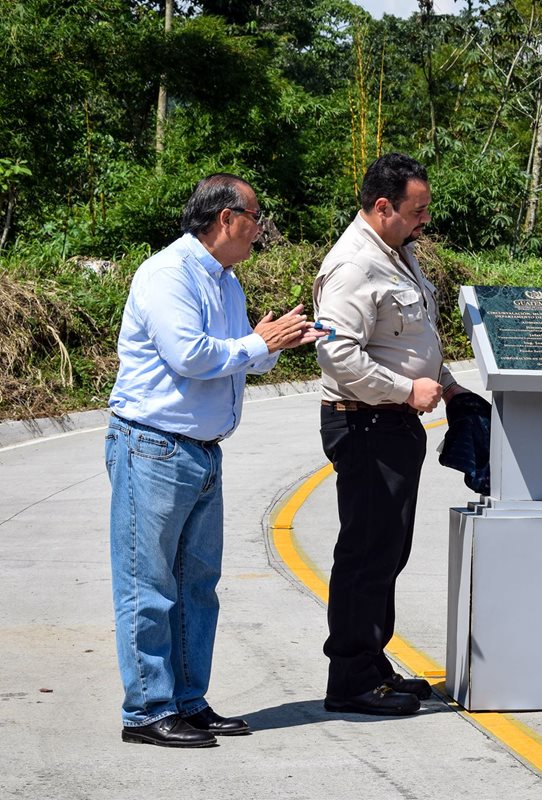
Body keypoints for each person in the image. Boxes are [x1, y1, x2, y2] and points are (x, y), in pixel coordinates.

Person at [106, 173, 320, 747]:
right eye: (255, 218)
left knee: (197, 586)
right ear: (225, 218)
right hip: (153, 444)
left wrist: (276, 341)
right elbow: (191, 357)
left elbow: (238, 358)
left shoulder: (226, 281)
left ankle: (186, 700)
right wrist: (259, 342)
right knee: (147, 585)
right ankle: (147, 711)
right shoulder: (167, 274)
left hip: (201, 451)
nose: (260, 231)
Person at [313, 153, 478, 716]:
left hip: (391, 424)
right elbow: (336, 355)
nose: (424, 221)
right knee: (365, 553)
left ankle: (373, 666)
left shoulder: (398, 254)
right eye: (417, 210)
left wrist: (448, 386)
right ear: (383, 207)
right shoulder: (354, 264)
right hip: (365, 422)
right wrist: (406, 392)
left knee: (388, 551)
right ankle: (352, 679)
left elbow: (413, 341)